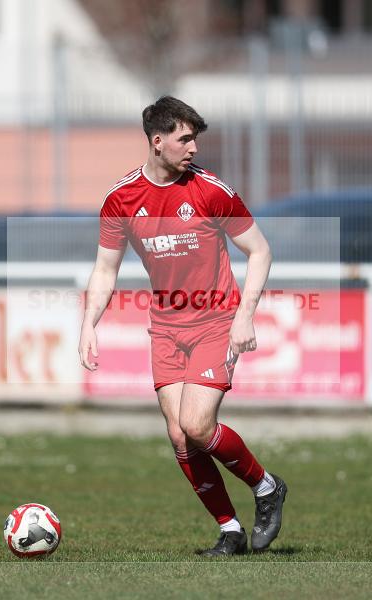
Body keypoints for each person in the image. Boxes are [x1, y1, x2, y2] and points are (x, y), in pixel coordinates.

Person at [78, 96, 287, 556]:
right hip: (166, 327)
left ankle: (267, 486)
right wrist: (89, 323)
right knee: (178, 434)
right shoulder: (121, 199)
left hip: (216, 321)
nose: (194, 148)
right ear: (157, 141)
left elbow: (260, 251)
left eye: (195, 139)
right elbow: (105, 269)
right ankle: (230, 530)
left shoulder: (211, 191)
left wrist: (245, 315)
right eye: (185, 139)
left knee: (196, 424)